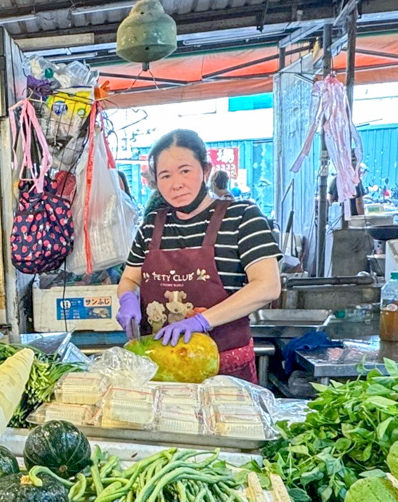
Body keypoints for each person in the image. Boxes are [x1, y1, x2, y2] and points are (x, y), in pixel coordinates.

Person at [115, 129, 281, 383]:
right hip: (161, 370)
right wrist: (127, 299)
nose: (176, 184)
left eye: (185, 171)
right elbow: (130, 279)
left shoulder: (242, 216)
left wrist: (202, 321)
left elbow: (267, 286)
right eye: (165, 175)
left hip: (225, 372)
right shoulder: (151, 225)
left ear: (205, 170)